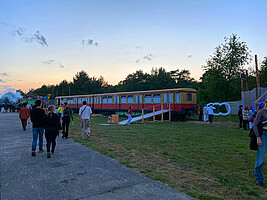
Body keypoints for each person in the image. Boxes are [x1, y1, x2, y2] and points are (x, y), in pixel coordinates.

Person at [253, 100, 267, 187]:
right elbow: (255, 125)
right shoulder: (262, 112)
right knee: (261, 158)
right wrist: (258, 137)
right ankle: (259, 178)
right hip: (264, 136)